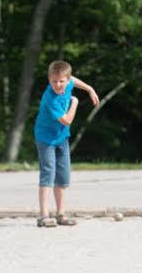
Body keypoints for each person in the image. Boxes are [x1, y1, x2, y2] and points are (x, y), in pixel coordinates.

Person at [34, 60, 99, 227]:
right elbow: (67, 120)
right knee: (48, 173)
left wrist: (89, 89)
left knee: (63, 176)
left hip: (61, 137)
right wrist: (75, 103)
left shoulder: (68, 82)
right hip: (46, 138)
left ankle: (60, 214)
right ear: (49, 80)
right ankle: (43, 216)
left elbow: (74, 80)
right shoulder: (50, 98)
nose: (57, 84)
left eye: (61, 81)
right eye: (54, 81)